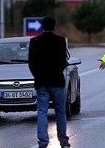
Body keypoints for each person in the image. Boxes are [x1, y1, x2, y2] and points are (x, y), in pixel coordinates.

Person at [28, 16, 70, 148]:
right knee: (60, 112)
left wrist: (38, 76)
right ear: (54, 27)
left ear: (42, 26)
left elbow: (32, 63)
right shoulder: (60, 41)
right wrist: (57, 72)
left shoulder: (34, 42)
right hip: (57, 81)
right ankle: (63, 142)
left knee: (42, 112)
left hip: (41, 82)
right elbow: (63, 62)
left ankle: (43, 142)